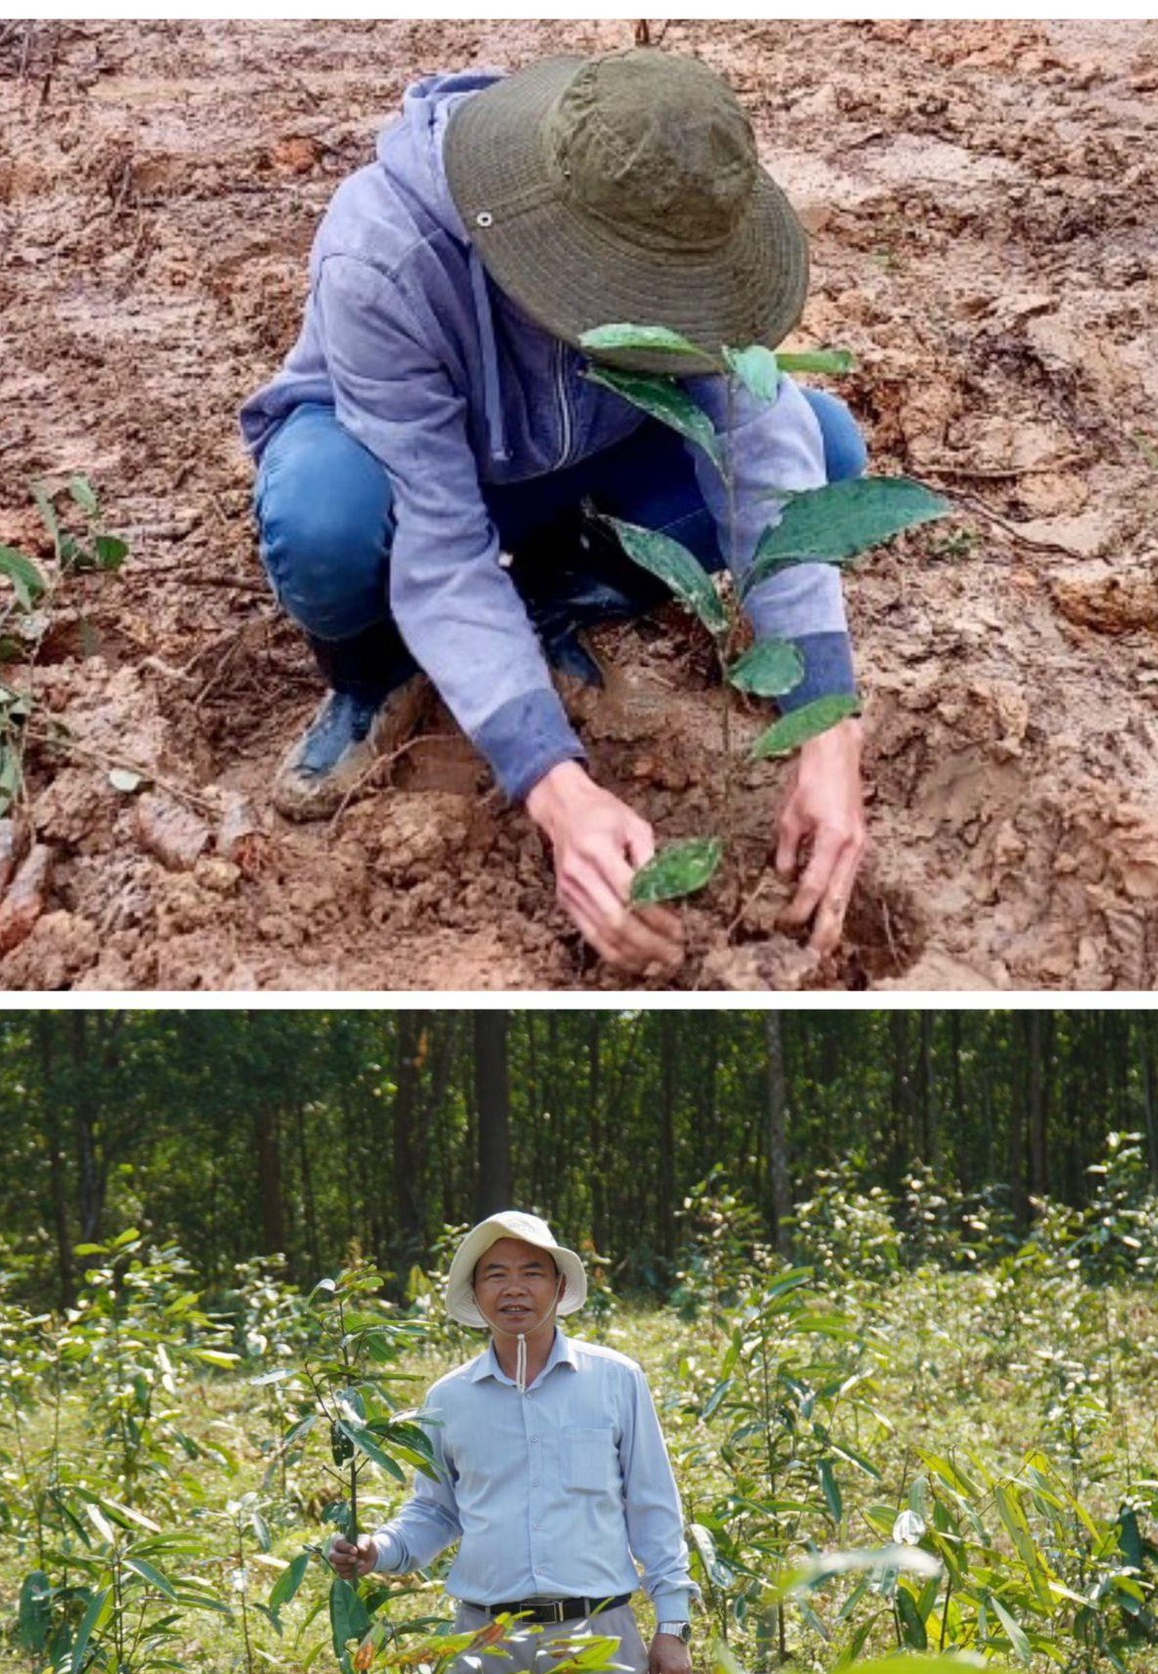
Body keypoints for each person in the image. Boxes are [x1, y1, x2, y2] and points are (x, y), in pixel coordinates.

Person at [241, 47, 869, 979]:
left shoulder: (674, 209)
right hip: (403, 464)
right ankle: (375, 671)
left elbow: (763, 446)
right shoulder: (386, 254)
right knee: (325, 521)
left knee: (827, 448)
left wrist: (826, 718)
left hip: (576, 460)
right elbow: (442, 543)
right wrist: (555, 787)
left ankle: (542, 607)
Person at [329, 1209, 703, 1674]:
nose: (514, 1289)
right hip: (488, 1640)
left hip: (596, 1633)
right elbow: (434, 1513)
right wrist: (376, 1553)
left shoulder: (613, 1380)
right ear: (474, 1293)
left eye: (532, 1272)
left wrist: (672, 1624)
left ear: (560, 1287)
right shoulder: (451, 1398)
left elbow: (654, 1508)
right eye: (495, 1273)